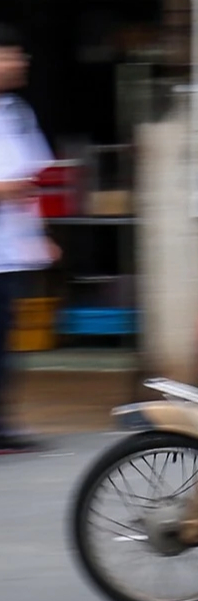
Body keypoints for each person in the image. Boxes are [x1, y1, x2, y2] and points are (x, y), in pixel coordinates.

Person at [0, 24, 61, 453]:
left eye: (19, 55)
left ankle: (4, 424)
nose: (18, 63)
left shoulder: (17, 113)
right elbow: (15, 184)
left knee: (8, 342)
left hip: (14, 251)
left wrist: (44, 235)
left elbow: (35, 177)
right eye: (8, 55)